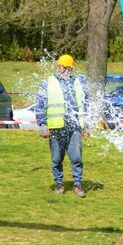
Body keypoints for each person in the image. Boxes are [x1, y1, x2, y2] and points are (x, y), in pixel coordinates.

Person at [35, 54, 90, 198]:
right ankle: (59, 184)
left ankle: (77, 185)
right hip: (56, 128)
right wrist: (42, 124)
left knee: (76, 158)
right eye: (61, 67)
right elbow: (40, 104)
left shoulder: (79, 83)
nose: (63, 70)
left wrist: (86, 127)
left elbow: (85, 106)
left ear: (70, 68)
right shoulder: (48, 83)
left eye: (66, 67)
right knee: (57, 159)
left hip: (74, 128)